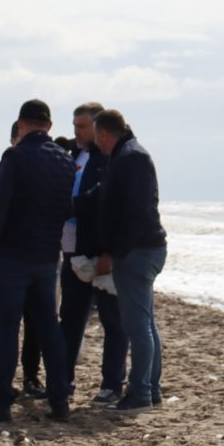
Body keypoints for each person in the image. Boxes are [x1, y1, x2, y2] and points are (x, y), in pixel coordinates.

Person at [0, 100, 74, 422]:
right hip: (47, 254)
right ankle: (60, 399)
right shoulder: (64, 160)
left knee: (7, 329)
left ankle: (0, 401)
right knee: (49, 327)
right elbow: (66, 209)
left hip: (12, 254)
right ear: (48, 125)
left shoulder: (15, 156)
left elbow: (0, 207)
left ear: (20, 124)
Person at [76, 109, 168, 412]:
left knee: (137, 325)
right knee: (145, 323)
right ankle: (150, 389)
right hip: (142, 249)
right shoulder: (127, 156)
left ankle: (142, 391)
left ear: (103, 133)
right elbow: (106, 197)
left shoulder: (131, 157)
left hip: (138, 252)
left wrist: (115, 252)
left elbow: (135, 211)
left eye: (96, 137)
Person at [58, 103, 128, 406]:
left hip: (101, 252)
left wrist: (109, 252)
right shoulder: (73, 154)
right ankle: (63, 382)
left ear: (100, 130)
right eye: (74, 126)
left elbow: (109, 204)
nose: (77, 132)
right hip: (72, 250)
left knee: (113, 322)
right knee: (70, 321)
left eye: (82, 127)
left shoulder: (112, 158)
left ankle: (112, 385)